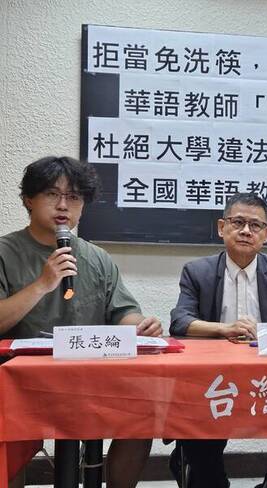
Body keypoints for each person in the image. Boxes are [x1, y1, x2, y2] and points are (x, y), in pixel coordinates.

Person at [0, 156, 162, 488]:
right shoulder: (5, 252)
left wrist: (140, 327)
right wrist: (43, 284)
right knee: (7, 434)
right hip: (20, 383)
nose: (63, 205)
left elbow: (123, 312)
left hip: (90, 378)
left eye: (74, 197)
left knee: (142, 417)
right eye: (52, 194)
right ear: (28, 199)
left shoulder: (96, 257)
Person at [169, 192, 267, 488]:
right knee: (198, 441)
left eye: (255, 225)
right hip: (212, 380)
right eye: (238, 223)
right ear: (221, 227)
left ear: (266, 235)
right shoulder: (197, 271)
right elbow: (180, 321)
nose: (246, 231)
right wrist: (224, 329)